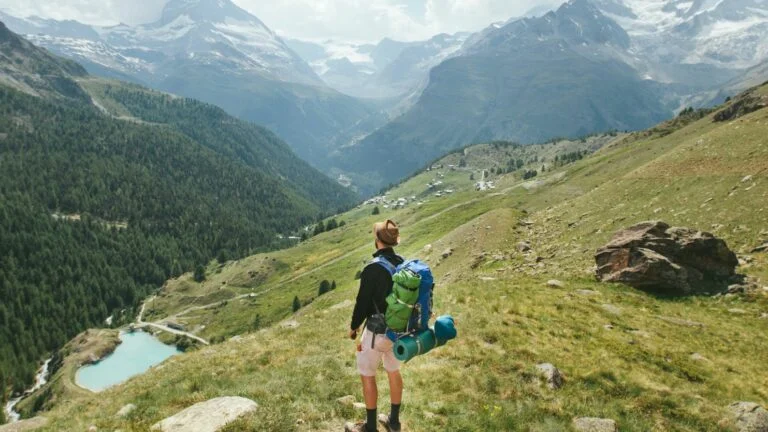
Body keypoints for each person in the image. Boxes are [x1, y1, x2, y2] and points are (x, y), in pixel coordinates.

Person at [345, 220, 405, 432]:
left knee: (368, 374)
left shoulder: (373, 269)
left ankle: (370, 427)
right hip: (399, 331)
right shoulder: (402, 263)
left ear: (377, 241)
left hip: (376, 331)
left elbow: (362, 302)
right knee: (393, 371)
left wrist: (353, 327)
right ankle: (394, 422)